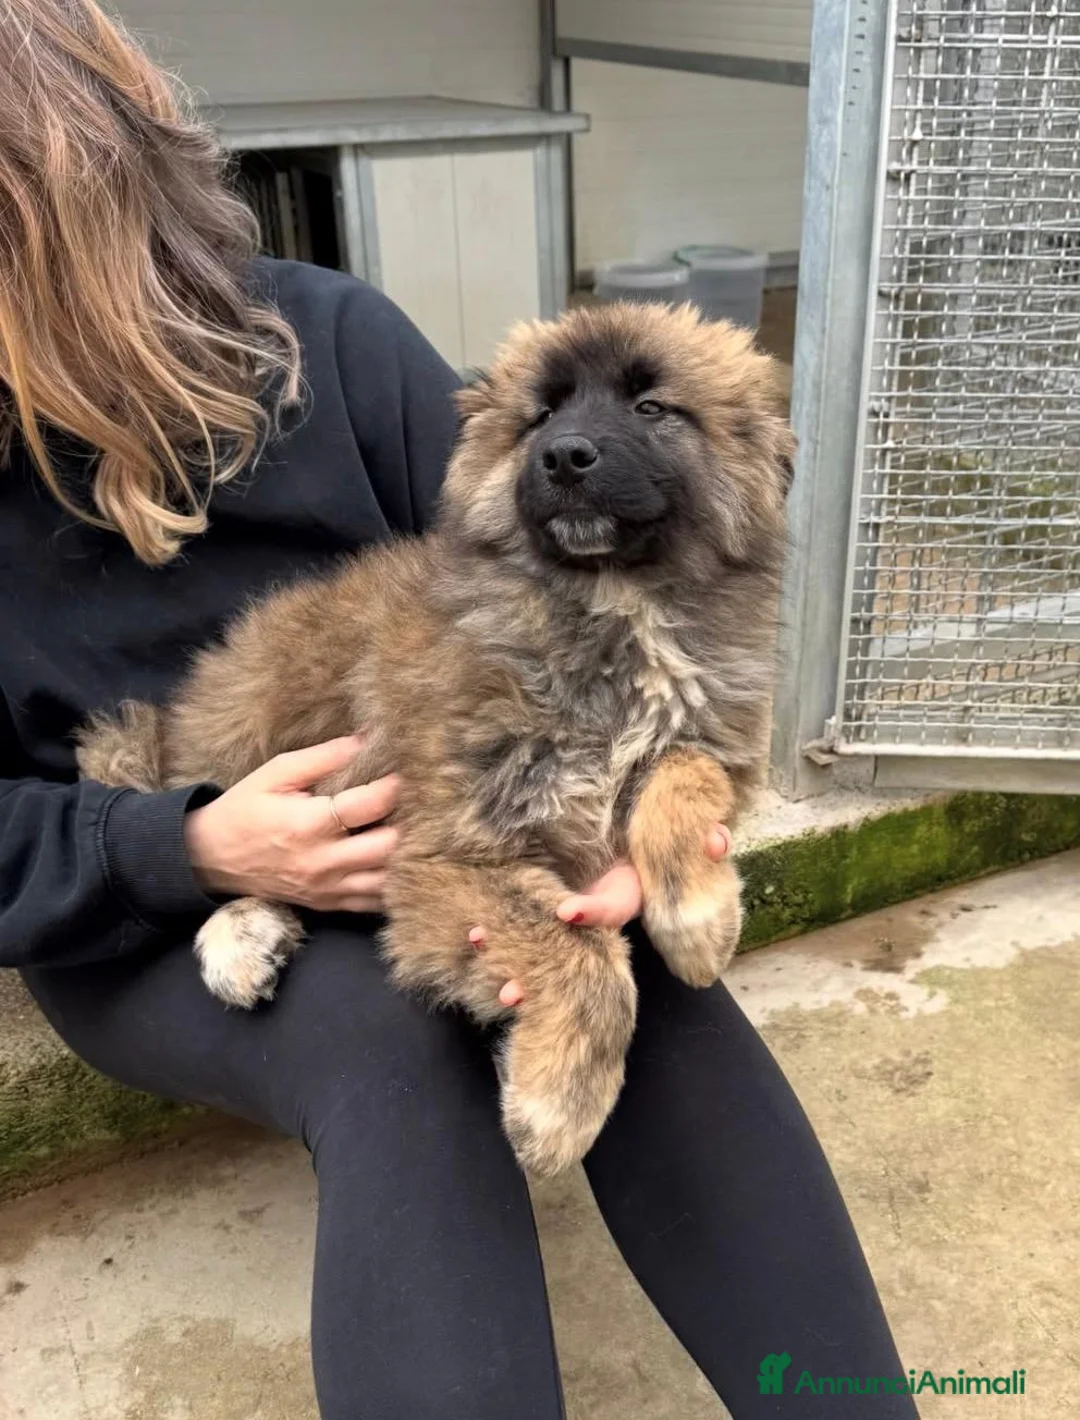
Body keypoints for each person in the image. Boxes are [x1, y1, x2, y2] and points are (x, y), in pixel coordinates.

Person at [0, 3, 919, 1417]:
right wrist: (186, 850)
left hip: (450, 802)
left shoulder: (325, 338)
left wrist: (640, 816)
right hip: (129, 895)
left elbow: (574, 583)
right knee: (388, 1046)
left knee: (647, 986)